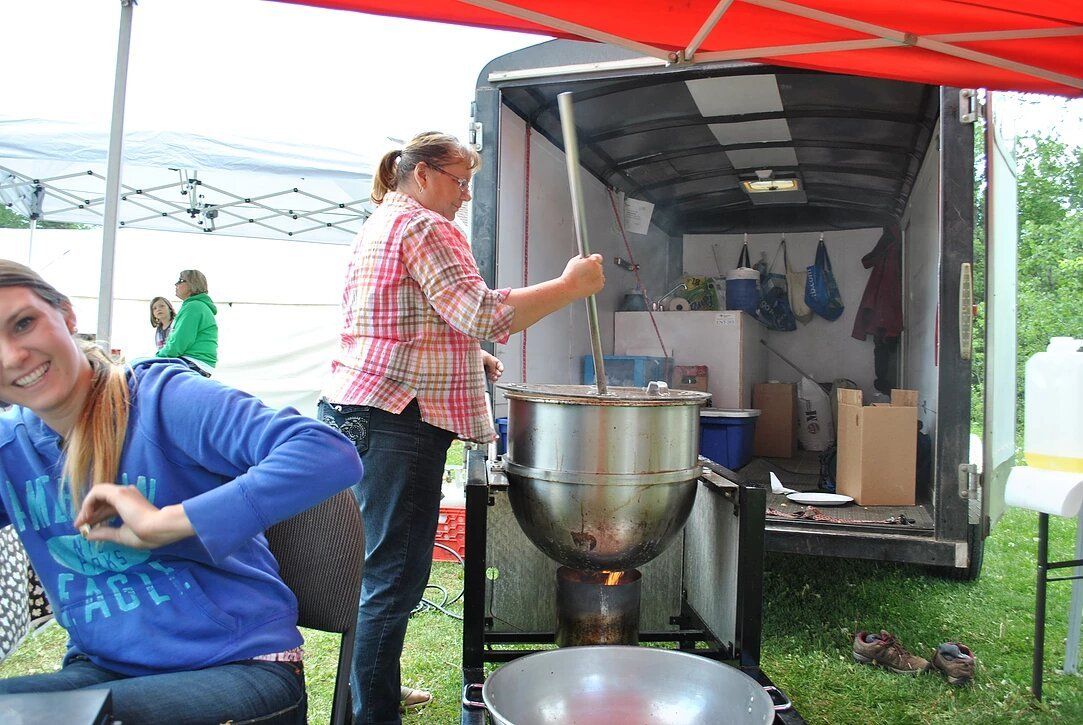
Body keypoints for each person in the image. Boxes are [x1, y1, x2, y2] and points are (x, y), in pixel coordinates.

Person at [318, 131, 603, 724]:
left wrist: (469, 357)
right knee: (392, 581)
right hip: (400, 420)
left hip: (361, 410)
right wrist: (568, 287)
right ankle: (372, 715)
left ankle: (373, 694)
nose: (465, 195)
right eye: (459, 180)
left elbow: (401, 314)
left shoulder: (383, 221)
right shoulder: (424, 225)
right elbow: (483, 312)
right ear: (421, 174)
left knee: (377, 574)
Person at [0, 260, 363, 724]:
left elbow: (327, 452)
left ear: (67, 316)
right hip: (101, 669)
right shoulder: (12, 446)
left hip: (240, 669)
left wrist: (165, 523)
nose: (12, 356)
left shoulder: (161, 399)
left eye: (24, 323)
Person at [155, 269, 217, 376]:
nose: (176, 284)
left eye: (180, 280)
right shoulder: (195, 305)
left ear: (192, 284)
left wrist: (157, 358)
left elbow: (179, 342)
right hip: (198, 362)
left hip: (193, 362)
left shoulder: (193, 306)